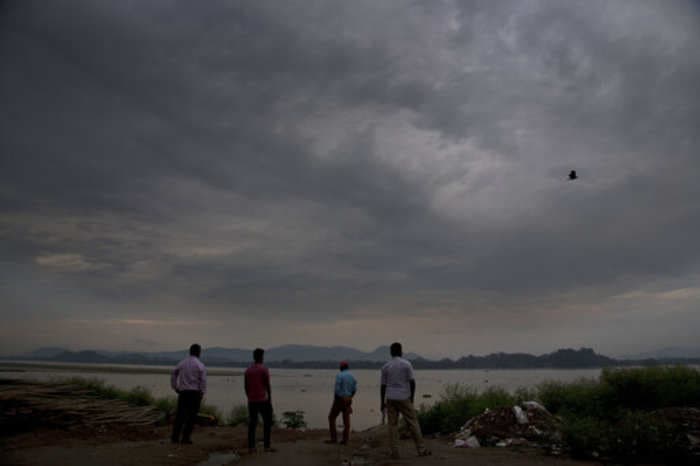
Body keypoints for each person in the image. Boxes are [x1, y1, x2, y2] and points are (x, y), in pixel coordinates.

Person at [380, 342, 431, 459]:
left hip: (391, 398)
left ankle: (395, 453)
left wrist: (382, 402)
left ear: (391, 352)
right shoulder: (407, 364)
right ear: (401, 351)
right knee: (413, 422)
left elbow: (383, 386)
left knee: (392, 426)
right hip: (404, 397)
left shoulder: (386, 366)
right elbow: (412, 382)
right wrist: (411, 398)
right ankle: (421, 449)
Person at [170, 343, 207, 444]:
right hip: (194, 393)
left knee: (180, 416)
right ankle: (185, 438)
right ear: (199, 352)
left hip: (183, 393)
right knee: (192, 416)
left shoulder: (182, 363)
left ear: (190, 351)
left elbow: (174, 373)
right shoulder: (200, 365)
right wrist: (202, 392)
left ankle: (175, 437)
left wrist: (175, 387)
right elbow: (203, 381)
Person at [245, 348, 274, 453]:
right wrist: (270, 399)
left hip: (252, 400)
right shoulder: (264, 369)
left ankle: (251, 447)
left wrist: (249, 397)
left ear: (254, 357)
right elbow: (267, 385)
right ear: (261, 357)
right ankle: (266, 446)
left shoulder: (248, 370)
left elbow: (246, 386)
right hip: (263, 400)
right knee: (267, 422)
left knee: (252, 423)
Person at [327, 361, 357, 444]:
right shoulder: (352, 376)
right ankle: (345, 440)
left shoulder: (339, 375)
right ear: (347, 367)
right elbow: (354, 389)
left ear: (341, 367)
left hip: (339, 399)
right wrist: (350, 397)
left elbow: (337, 390)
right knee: (346, 420)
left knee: (331, 417)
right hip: (348, 399)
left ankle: (334, 439)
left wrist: (340, 398)